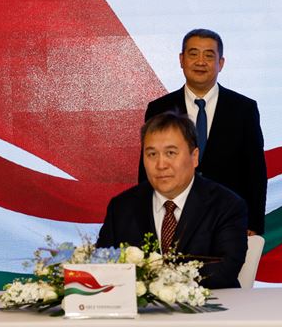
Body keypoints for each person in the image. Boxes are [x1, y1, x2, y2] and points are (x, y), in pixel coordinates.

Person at [142, 29, 267, 236]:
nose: (200, 62)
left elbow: (255, 172)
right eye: (193, 54)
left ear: (221, 63)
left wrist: (253, 224)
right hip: (172, 220)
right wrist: (146, 220)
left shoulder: (243, 108)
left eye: (209, 55)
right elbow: (147, 169)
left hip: (227, 219)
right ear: (181, 59)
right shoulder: (159, 108)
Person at [102, 112, 248, 289]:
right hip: (139, 307)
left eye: (170, 153)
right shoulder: (121, 207)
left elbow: (225, 270)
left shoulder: (227, 205)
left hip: (211, 304)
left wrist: (155, 280)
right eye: (152, 154)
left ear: (194, 157)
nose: (161, 165)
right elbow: (103, 266)